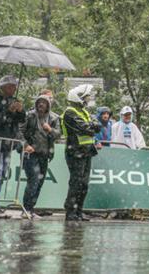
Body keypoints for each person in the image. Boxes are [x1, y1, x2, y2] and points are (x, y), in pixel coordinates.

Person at [0, 74, 25, 218]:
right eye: (10, 86)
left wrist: (20, 111)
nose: (13, 89)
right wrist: (8, 112)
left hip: (8, 143)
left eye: (14, 86)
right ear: (3, 87)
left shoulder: (15, 100)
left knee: (2, 175)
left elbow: (21, 120)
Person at [61, 84, 101, 221]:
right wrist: (92, 126)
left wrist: (93, 126)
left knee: (84, 184)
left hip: (87, 151)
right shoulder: (70, 112)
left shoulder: (84, 112)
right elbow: (85, 128)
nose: (88, 99)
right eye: (86, 97)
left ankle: (79, 211)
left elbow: (96, 126)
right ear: (78, 98)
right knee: (76, 182)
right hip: (75, 151)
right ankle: (70, 211)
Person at [21, 94, 61, 218]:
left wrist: (50, 130)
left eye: (44, 102)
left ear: (48, 105)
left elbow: (58, 134)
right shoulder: (29, 116)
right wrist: (25, 145)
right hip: (31, 153)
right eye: (39, 102)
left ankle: (31, 209)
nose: (41, 104)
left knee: (39, 183)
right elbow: (19, 131)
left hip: (45, 154)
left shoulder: (54, 117)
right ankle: (26, 209)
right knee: (33, 180)